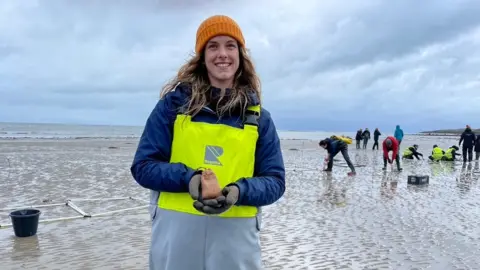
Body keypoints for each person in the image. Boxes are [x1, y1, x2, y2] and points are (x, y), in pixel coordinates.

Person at [130, 15, 286, 270]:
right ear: (202, 57)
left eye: (230, 45)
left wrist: (238, 192)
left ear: (240, 55)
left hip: (236, 239)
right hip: (175, 235)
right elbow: (143, 166)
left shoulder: (259, 118)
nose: (222, 54)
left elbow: (275, 181)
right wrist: (189, 179)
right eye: (212, 46)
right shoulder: (173, 107)